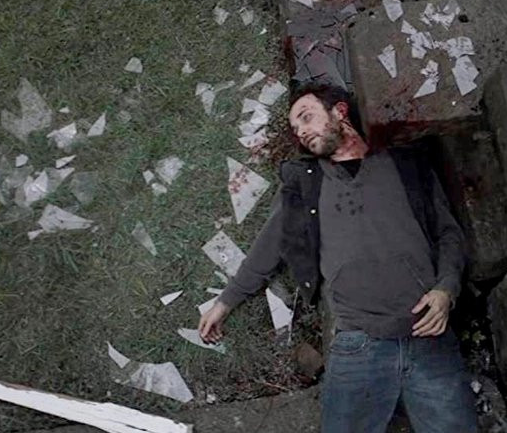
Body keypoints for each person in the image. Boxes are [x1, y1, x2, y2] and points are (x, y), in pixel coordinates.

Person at [198, 82, 477, 432]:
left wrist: (446, 289)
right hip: (359, 343)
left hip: (428, 334)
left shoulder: (405, 162)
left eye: (306, 117)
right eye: (296, 129)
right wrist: (225, 303)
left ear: (340, 112)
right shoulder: (305, 184)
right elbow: (268, 247)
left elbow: (448, 234)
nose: (301, 132)